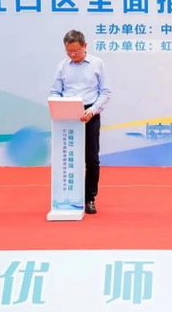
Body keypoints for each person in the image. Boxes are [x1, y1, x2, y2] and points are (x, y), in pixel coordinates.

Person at [50, 30, 112, 214]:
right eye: (68, 51)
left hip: (90, 113)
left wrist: (92, 110)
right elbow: (55, 91)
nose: (72, 54)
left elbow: (106, 92)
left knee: (91, 158)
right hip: (67, 114)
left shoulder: (97, 64)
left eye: (75, 51)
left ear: (85, 46)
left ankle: (90, 198)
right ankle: (67, 196)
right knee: (68, 157)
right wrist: (58, 105)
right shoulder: (62, 66)